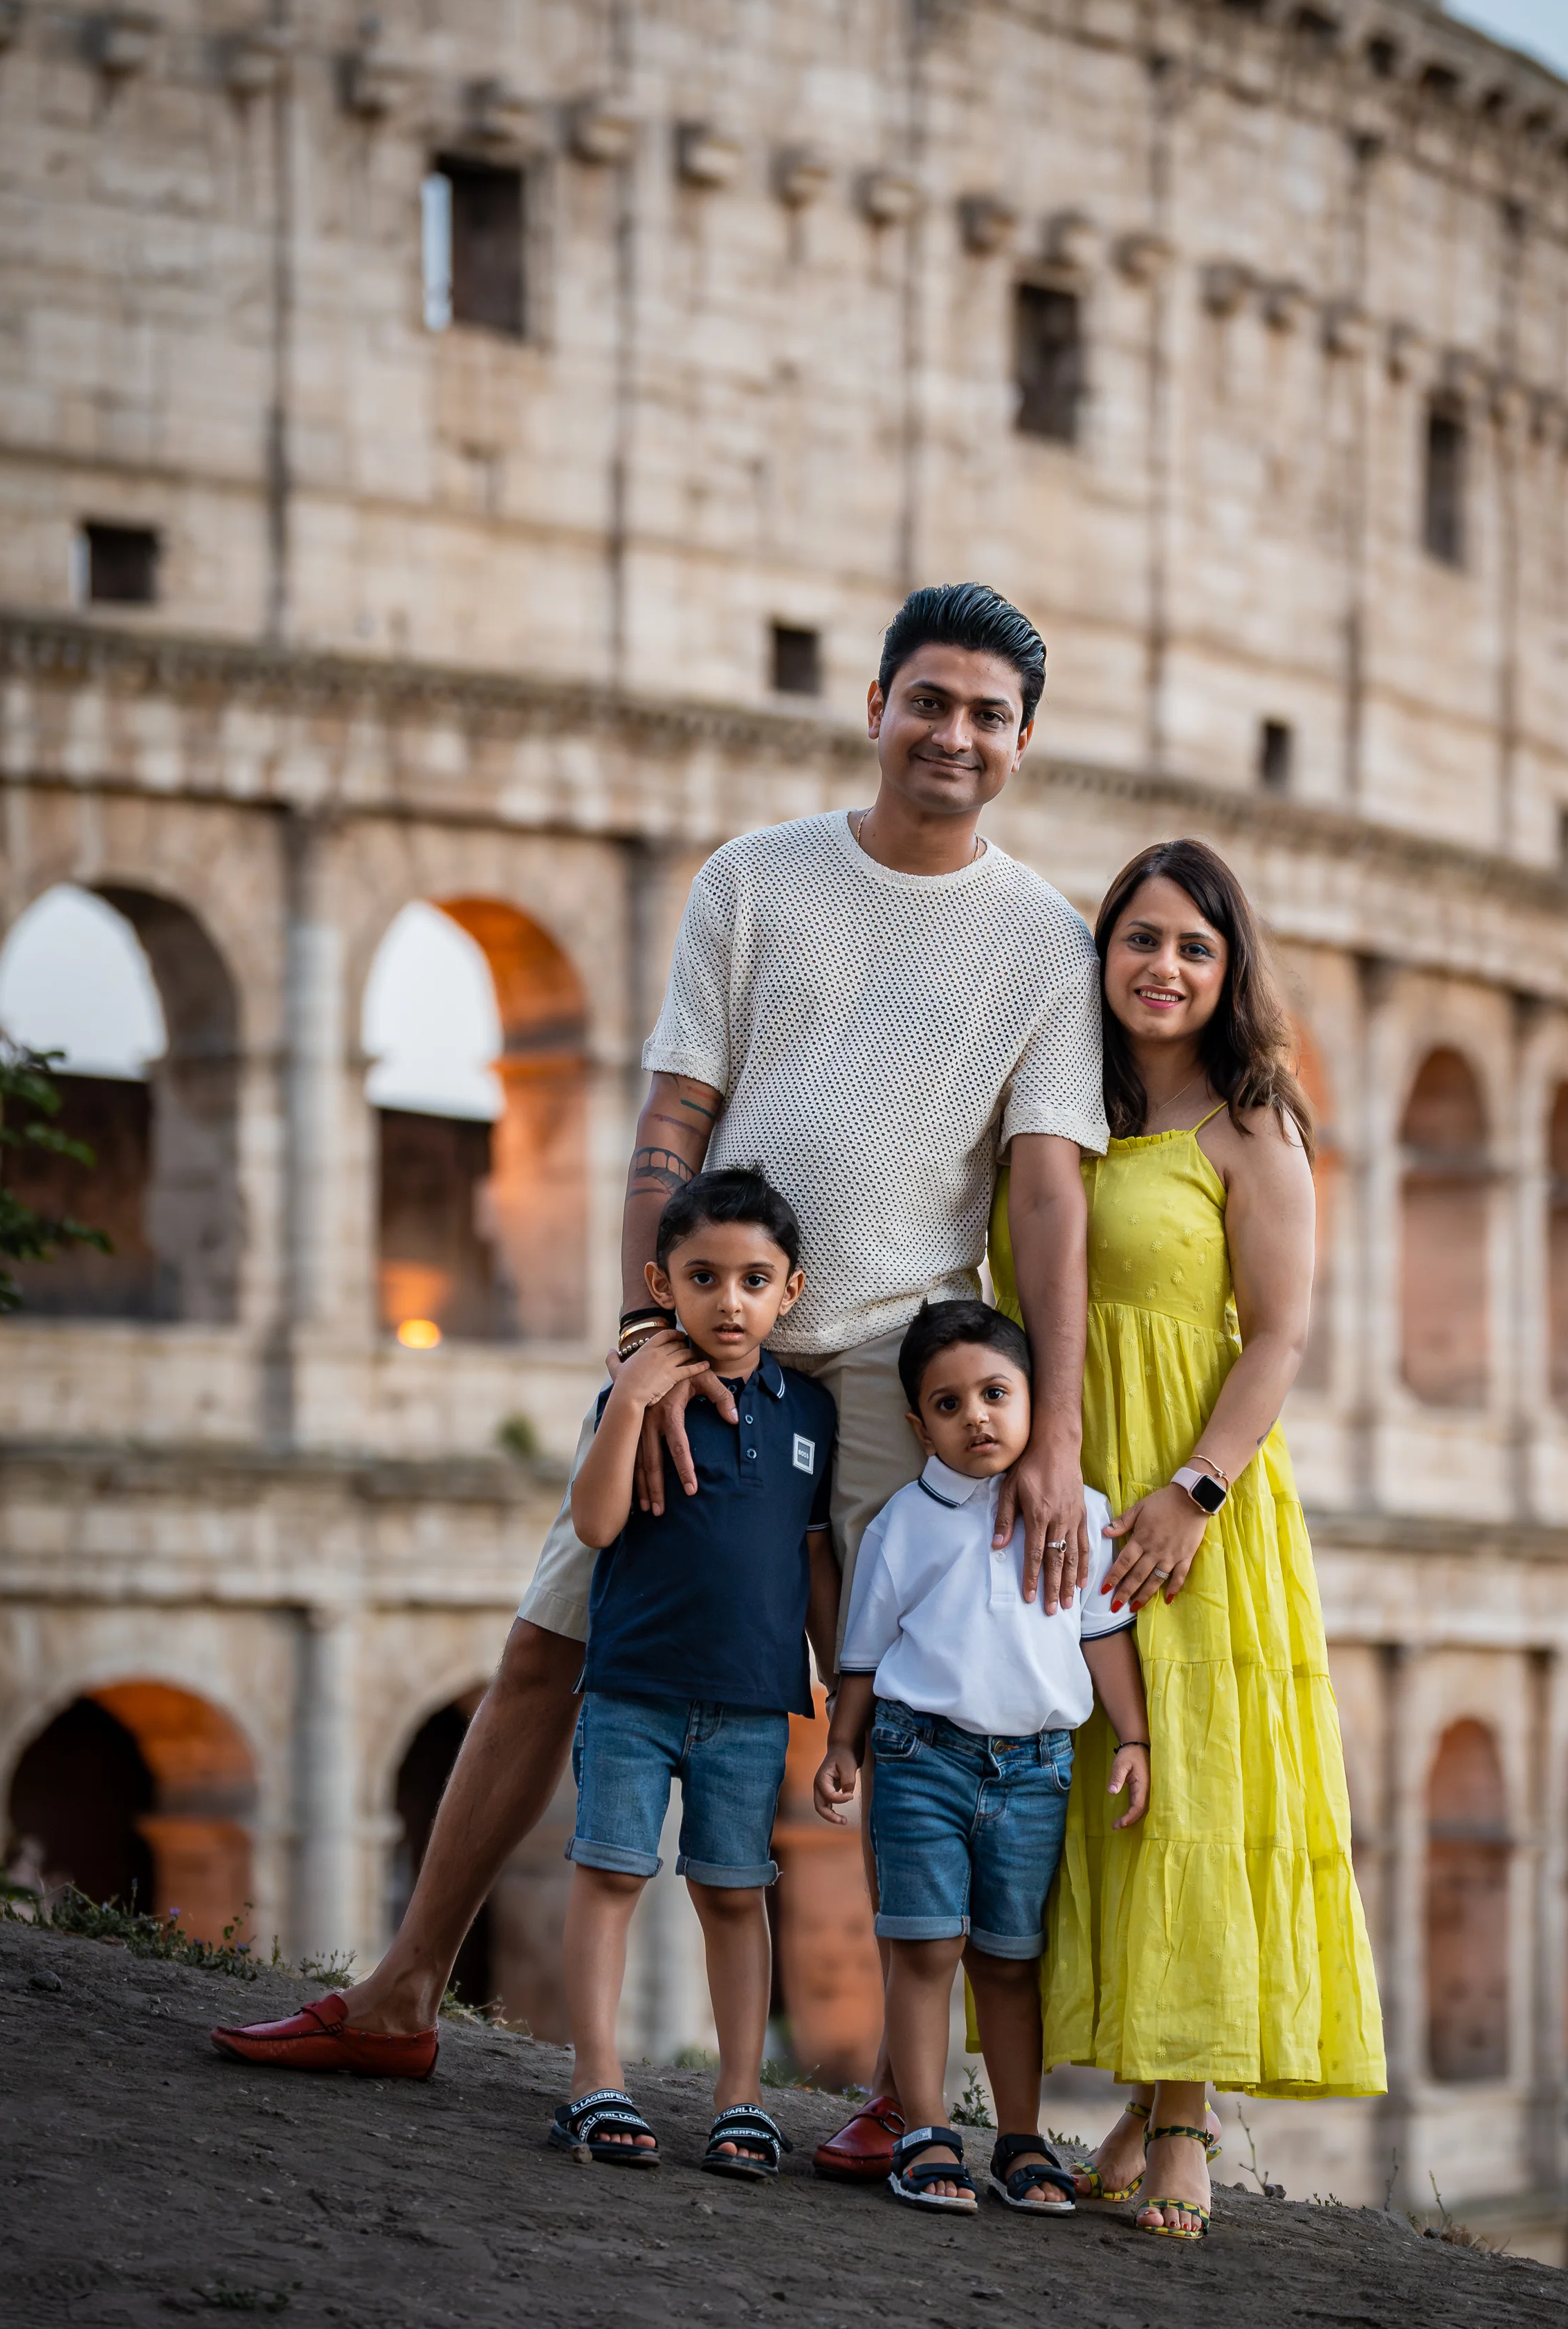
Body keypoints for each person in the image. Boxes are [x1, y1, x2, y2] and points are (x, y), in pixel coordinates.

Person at [212, 583, 1108, 2173]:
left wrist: (1057, 1432)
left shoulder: (1046, 939)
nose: (954, 734)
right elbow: (671, 1122)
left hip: (896, 1356)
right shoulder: (754, 878)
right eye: (929, 699)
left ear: (1023, 741)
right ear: (876, 706)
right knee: (553, 1644)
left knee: (913, 1709)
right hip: (713, 1336)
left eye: (988, 714)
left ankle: (907, 2096)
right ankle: (403, 1991)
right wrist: (648, 1336)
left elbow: (1045, 1190)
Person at [987, 838, 1386, 2242]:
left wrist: (1194, 1493)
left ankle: (1179, 2118)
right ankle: (1130, 2095)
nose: (1163, 967)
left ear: (1229, 972)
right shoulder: (1057, 1101)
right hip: (1056, 1480)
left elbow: (1278, 1335)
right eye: (1140, 939)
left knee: (1191, 1789)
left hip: (1187, 1495)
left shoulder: (1251, 1123)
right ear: (1101, 953)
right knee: (1091, 1788)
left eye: (1194, 948)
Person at [814, 1300, 1149, 2216]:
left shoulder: (1081, 1512)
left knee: (1008, 1957)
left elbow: (1104, 1635)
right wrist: (843, 1745)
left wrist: (1134, 1737)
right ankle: (925, 2131)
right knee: (925, 1947)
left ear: (1037, 1399)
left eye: (997, 1394)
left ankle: (1019, 2138)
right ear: (919, 1425)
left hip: (1037, 1771)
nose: (977, 1418)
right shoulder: (902, 1524)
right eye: (949, 1404)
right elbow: (862, 1654)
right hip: (920, 1757)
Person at [547, 1166, 840, 2177]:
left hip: (754, 1702)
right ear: (660, 1284)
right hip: (633, 1687)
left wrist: (842, 1695)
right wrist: (632, 1395)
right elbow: (595, 1524)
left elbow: (814, 1562)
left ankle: (740, 2098)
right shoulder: (635, 1393)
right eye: (703, 1278)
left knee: (734, 1893)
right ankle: (595, 2079)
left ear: (790, 1292)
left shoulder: (811, 1413)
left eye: (754, 1280)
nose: (729, 1302)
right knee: (610, 1874)